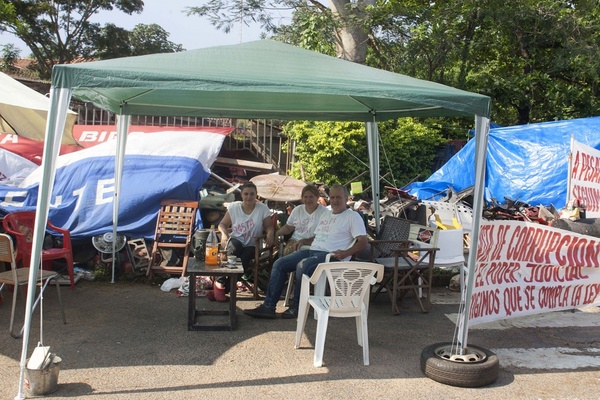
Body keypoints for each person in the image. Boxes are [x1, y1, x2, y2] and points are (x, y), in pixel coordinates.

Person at [244, 184, 367, 319]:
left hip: (332, 256)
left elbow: (362, 241)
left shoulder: (353, 216)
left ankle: (297, 307)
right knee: (279, 264)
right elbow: (318, 236)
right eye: (332, 197)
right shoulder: (327, 214)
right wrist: (304, 241)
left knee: (303, 266)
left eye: (339, 197)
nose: (335, 200)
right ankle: (268, 307)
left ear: (346, 198)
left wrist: (346, 253)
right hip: (312, 250)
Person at [211, 182, 274, 301]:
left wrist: (270, 233)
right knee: (234, 248)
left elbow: (269, 226)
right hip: (236, 240)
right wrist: (224, 234)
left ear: (256, 195)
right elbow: (223, 224)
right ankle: (219, 282)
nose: (249, 197)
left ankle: (224, 289)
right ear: (241, 194)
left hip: (252, 244)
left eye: (252, 194)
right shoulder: (234, 207)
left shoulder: (262, 209)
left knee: (244, 258)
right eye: (246, 194)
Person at [276, 184, 328, 256]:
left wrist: (305, 241)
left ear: (317, 197)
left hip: (315, 243)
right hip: (295, 241)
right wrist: (277, 233)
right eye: (305, 197)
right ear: (302, 198)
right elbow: (288, 227)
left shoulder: (325, 213)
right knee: (287, 254)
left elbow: (323, 235)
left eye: (311, 197)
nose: (308, 200)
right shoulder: (297, 210)